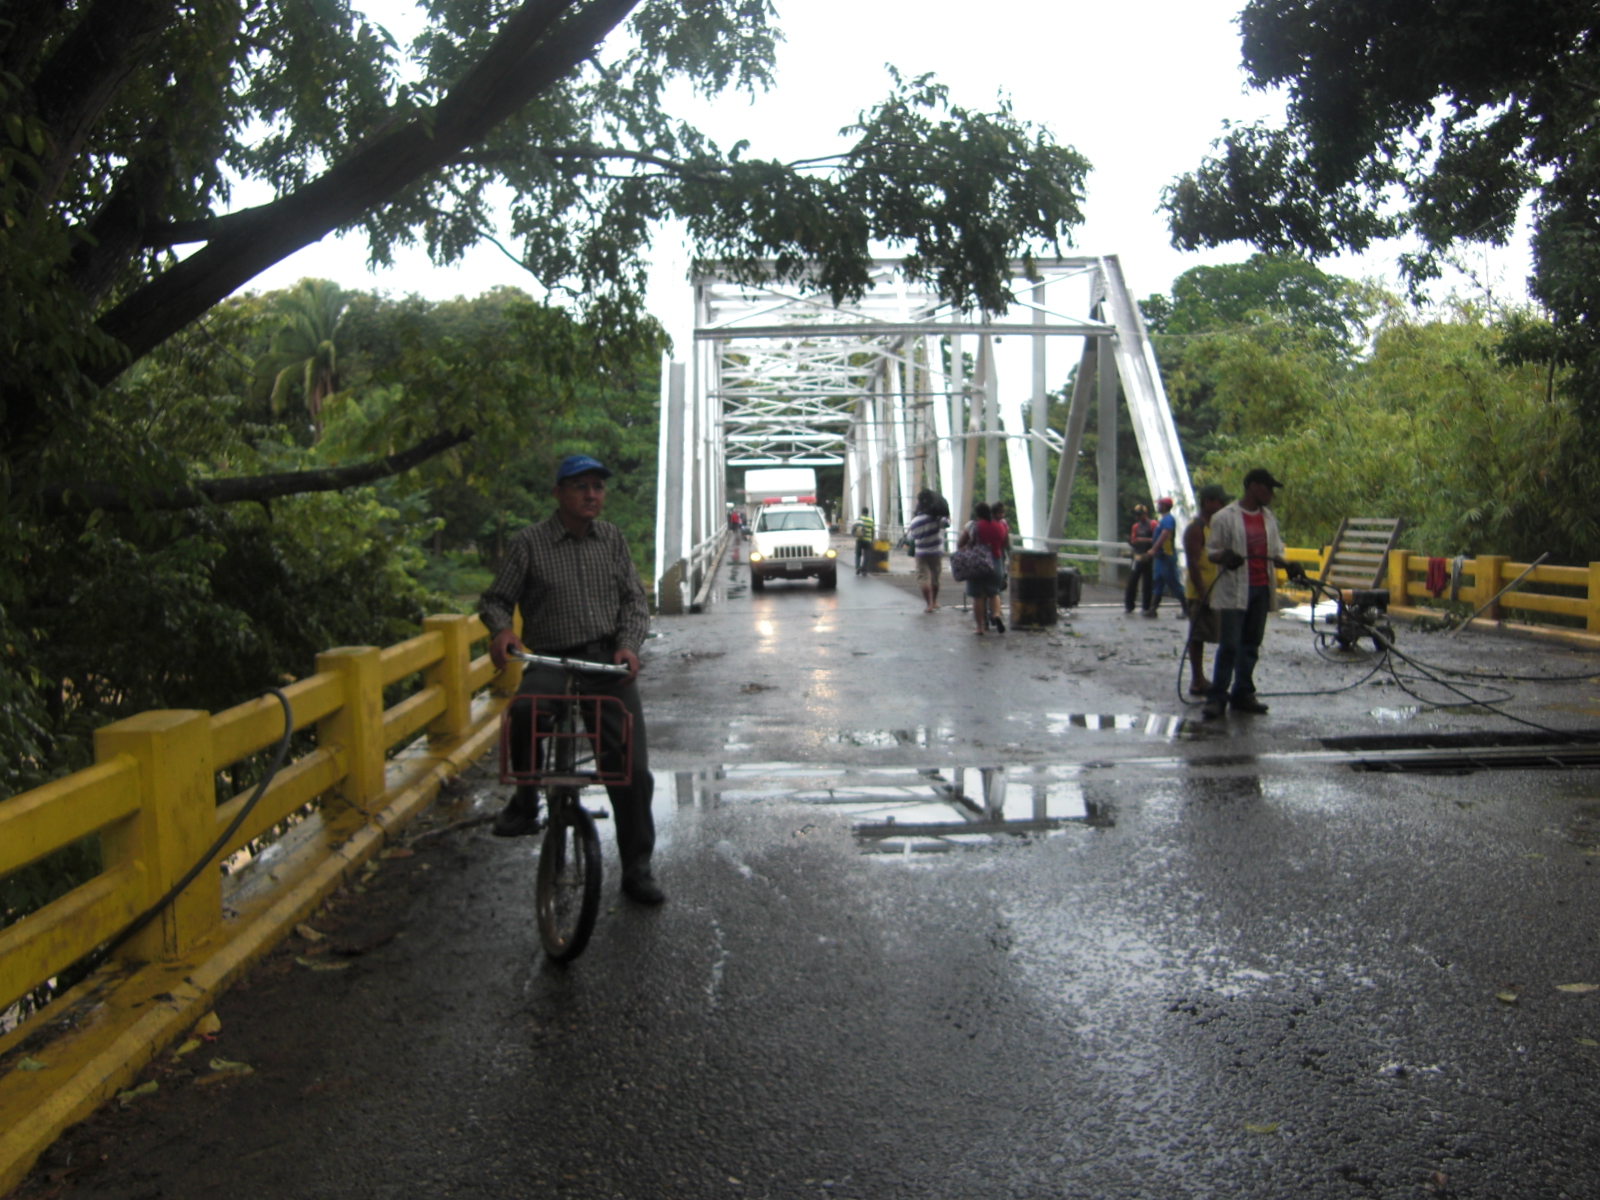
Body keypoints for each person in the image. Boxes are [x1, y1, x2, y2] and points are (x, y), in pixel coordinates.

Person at [479, 454, 664, 906]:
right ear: (558, 493)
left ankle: (637, 868)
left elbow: (634, 604)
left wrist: (629, 645)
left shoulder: (613, 540)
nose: (591, 495)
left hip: (605, 662)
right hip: (550, 660)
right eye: (580, 487)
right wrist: (502, 629)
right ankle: (526, 800)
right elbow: (497, 599)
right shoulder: (529, 544)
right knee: (523, 712)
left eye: (597, 487)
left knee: (632, 770)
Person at [1202, 468, 1307, 719]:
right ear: (1253, 487)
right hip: (1234, 591)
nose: (1271, 493)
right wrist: (1224, 556)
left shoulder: (1268, 517)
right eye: (1267, 488)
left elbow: (1275, 552)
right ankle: (1218, 697)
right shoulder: (1224, 517)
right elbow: (1212, 551)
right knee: (1229, 645)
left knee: (1250, 645)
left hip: (1260, 588)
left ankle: (1243, 694)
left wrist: (1289, 565)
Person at [1182, 484, 1229, 696]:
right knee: (1198, 636)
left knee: (1218, 635)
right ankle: (1197, 680)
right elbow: (1192, 562)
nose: (1224, 505)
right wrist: (1202, 593)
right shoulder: (1196, 528)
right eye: (1220, 501)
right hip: (1201, 592)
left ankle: (1204, 679)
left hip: (1218, 590)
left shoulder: (1216, 527)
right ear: (1208, 502)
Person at [959, 502, 1008, 635]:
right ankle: (996, 615)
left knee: (978, 596)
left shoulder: (972, 525)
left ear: (977, 514)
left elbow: (960, 543)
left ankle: (979, 627)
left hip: (977, 563)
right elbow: (1004, 543)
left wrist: (968, 545)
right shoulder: (1000, 526)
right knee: (994, 593)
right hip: (995, 561)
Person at [906, 490, 951, 612]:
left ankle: (929, 604)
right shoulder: (935, 519)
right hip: (936, 552)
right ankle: (935, 601)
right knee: (935, 578)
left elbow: (910, 538)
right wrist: (947, 514)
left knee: (924, 578)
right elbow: (947, 524)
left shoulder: (914, 522)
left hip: (921, 553)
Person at [1144, 496, 1184, 617]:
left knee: (1173, 582)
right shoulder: (1163, 519)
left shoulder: (1168, 520)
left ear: (1165, 506)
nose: (1158, 506)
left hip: (1167, 556)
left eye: (1160, 504)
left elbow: (1165, 534)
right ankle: (1153, 609)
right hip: (1160, 557)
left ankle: (1187, 608)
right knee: (1158, 582)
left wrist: (1154, 548)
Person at [1124, 503, 1155, 615]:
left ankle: (1146, 606)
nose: (1137, 517)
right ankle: (1129, 605)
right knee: (1132, 582)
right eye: (1136, 515)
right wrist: (1130, 541)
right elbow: (1134, 542)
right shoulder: (1135, 527)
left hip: (1148, 557)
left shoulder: (1152, 524)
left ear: (1144, 514)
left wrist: (1143, 540)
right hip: (1137, 557)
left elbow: (1156, 540)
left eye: (1139, 515)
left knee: (1147, 583)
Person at [987, 500, 1013, 632]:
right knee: (997, 584)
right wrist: (1011, 555)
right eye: (1001, 512)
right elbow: (1007, 542)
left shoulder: (985, 522)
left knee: (986, 584)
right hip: (998, 555)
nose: (1002, 515)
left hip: (985, 555)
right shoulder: (1003, 524)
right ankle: (996, 611)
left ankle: (988, 613)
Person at [851, 506, 876, 575]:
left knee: (858, 554)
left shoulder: (859, 519)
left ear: (862, 512)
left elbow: (854, 527)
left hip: (859, 539)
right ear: (868, 512)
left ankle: (857, 567)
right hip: (868, 540)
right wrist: (872, 540)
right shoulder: (871, 520)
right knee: (866, 555)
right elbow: (873, 531)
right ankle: (864, 570)